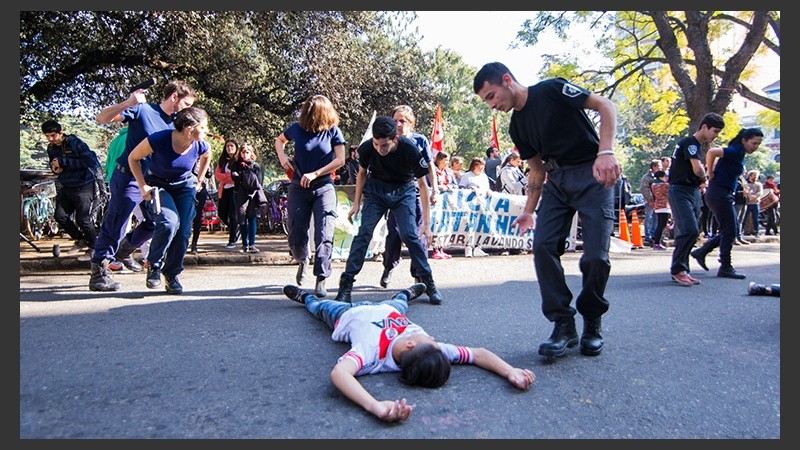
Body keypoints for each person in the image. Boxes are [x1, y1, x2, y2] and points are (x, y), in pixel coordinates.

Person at [473, 62, 621, 358]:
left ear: (506, 80)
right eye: (487, 101)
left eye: (491, 96)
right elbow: (537, 170)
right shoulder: (517, 126)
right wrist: (529, 211)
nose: (492, 105)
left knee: (595, 257)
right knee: (542, 246)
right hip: (557, 182)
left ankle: (592, 322)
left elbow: (605, 105)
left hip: (592, 174)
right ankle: (563, 324)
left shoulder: (551, 89)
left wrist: (606, 152)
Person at [281, 282, 535, 423]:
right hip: (391, 309)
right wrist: (510, 371)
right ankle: (406, 293)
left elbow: (340, 373)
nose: (434, 338)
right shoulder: (430, 350)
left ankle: (305, 298)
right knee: (400, 302)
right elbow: (478, 354)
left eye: (431, 340)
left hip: (345, 314)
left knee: (319, 307)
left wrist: (375, 406)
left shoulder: (371, 352)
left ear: (411, 345)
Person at [89, 79, 196, 292]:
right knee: (117, 223)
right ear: (174, 97)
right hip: (128, 177)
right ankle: (99, 272)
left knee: (158, 223)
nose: (187, 111)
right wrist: (128, 103)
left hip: (153, 182)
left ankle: (123, 250)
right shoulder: (143, 110)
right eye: (186, 105)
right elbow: (101, 118)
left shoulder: (177, 123)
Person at [334, 116, 443, 304]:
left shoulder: (410, 150)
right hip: (376, 191)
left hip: (404, 190)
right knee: (364, 233)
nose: (379, 149)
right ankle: (346, 285)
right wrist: (356, 204)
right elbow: (361, 174)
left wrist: (426, 224)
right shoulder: (367, 149)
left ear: (395, 139)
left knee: (409, 235)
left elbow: (423, 186)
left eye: (384, 145)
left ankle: (428, 281)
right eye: (376, 144)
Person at [128, 106, 211, 294]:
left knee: (183, 232)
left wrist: (199, 180)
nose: (207, 131)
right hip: (158, 185)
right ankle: (154, 266)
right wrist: (142, 185)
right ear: (189, 128)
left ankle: (172, 274)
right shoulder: (159, 139)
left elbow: (207, 155)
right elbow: (133, 158)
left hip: (185, 187)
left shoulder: (200, 145)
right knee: (168, 222)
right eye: (203, 127)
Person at [275, 94, 346, 298]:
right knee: (296, 233)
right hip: (298, 188)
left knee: (324, 233)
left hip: (324, 187)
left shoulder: (333, 131)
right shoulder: (297, 129)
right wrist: (282, 157)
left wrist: (316, 173)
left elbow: (340, 159)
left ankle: (321, 278)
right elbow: (279, 140)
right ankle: (302, 258)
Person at [690, 128, 764, 281]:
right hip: (719, 193)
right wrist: (709, 173)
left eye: (758, 144)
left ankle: (702, 252)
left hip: (723, 193)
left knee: (730, 230)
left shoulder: (739, 152)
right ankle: (725, 266)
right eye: (754, 143)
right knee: (730, 230)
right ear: (744, 140)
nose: (756, 147)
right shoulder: (735, 150)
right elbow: (712, 152)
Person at [380, 105, 438, 289]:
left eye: (402, 121)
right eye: (395, 120)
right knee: (395, 233)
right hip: (395, 193)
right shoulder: (388, 140)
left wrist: (434, 190)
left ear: (410, 123)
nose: (398, 124)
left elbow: (430, 167)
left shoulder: (419, 140)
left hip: (416, 191)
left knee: (418, 235)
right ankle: (389, 266)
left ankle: (419, 274)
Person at [667, 112, 724, 287]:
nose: (716, 136)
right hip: (680, 190)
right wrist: (705, 177)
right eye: (715, 131)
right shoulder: (690, 143)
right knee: (689, 229)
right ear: (704, 127)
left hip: (691, 190)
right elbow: (697, 169)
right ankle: (678, 269)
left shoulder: (696, 145)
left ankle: (682, 270)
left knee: (690, 231)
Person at [42, 119, 103, 261]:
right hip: (66, 185)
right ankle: (80, 239)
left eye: (53, 135)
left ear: (61, 132)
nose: (51, 139)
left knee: (83, 219)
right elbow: (54, 164)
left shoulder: (76, 143)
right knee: (60, 216)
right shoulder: (51, 148)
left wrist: (64, 162)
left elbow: (90, 162)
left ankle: (94, 248)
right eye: (47, 136)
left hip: (83, 185)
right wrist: (55, 169)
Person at [230, 143, 264, 253]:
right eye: (243, 152)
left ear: (251, 153)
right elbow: (234, 177)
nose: (245, 154)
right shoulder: (236, 165)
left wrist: (244, 179)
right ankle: (244, 244)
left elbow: (259, 182)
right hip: (239, 194)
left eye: (247, 152)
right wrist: (245, 178)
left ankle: (252, 244)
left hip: (252, 195)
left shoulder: (256, 166)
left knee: (252, 218)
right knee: (242, 218)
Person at [215, 139, 241, 249]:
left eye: (231, 146)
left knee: (233, 215)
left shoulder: (239, 161)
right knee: (222, 214)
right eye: (227, 146)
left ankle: (232, 240)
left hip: (235, 190)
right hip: (224, 190)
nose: (229, 148)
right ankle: (235, 229)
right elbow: (217, 175)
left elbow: (237, 176)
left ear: (236, 148)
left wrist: (227, 177)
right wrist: (229, 176)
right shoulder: (223, 161)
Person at [189, 159, 213, 254]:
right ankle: (181, 241)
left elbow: (209, 175)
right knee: (186, 216)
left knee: (197, 217)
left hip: (200, 190)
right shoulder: (188, 157)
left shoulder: (204, 159)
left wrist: (207, 167)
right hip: (187, 188)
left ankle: (194, 243)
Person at [640, 159, 662, 246]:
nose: (660, 168)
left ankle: (654, 235)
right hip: (650, 201)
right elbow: (644, 189)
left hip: (659, 201)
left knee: (656, 218)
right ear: (654, 167)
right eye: (659, 166)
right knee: (648, 217)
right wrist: (650, 200)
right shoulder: (646, 178)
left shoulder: (660, 177)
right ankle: (647, 236)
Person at [649, 170, 670, 250]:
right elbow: (669, 193)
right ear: (661, 177)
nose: (666, 178)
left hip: (657, 205)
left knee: (660, 225)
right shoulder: (665, 185)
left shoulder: (653, 185)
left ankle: (656, 242)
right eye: (665, 176)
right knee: (662, 225)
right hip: (664, 206)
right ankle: (657, 243)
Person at [742, 169, 763, 237]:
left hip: (755, 203)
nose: (756, 177)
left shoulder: (759, 184)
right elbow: (745, 191)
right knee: (744, 218)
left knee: (756, 218)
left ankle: (756, 232)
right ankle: (742, 231)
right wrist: (749, 196)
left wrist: (755, 196)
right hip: (747, 203)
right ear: (750, 176)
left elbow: (760, 192)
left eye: (756, 175)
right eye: (754, 175)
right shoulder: (745, 184)